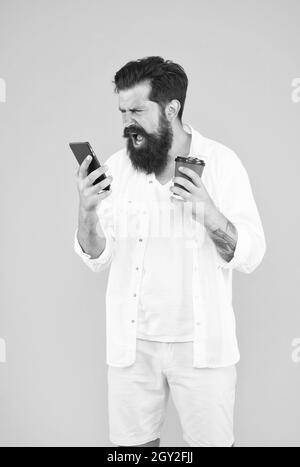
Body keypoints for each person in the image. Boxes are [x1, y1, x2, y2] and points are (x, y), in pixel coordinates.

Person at [74, 56, 266, 447]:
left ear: (172, 109)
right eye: (122, 111)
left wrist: (210, 214)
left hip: (202, 348)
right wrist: (87, 211)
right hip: (133, 346)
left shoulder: (222, 164)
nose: (127, 122)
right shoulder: (117, 167)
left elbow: (253, 253)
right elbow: (98, 256)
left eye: (137, 111)